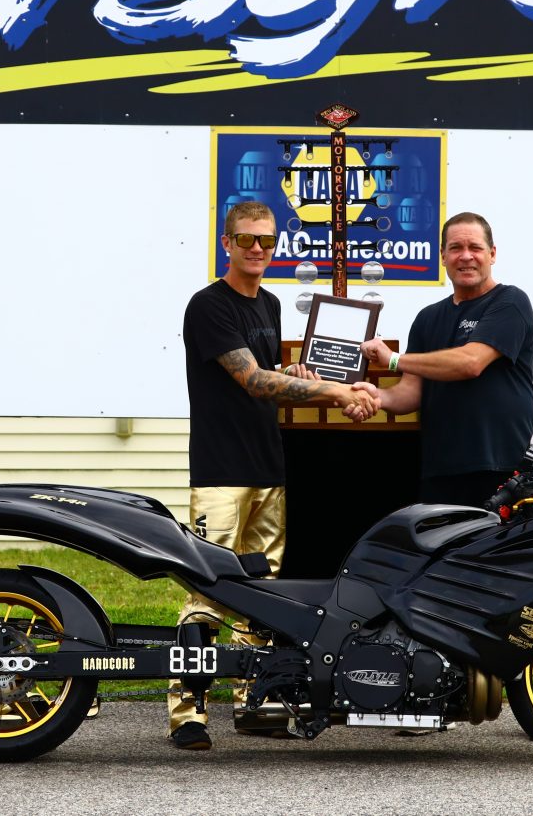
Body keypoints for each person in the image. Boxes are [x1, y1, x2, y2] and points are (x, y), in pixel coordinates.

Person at [170, 200, 377, 750]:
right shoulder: (207, 306)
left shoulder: (271, 303)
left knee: (262, 592)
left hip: (269, 468)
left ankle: (249, 701)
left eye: (266, 241)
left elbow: (267, 374)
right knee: (207, 589)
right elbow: (252, 383)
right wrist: (335, 390)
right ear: (226, 244)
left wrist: (297, 372)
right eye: (246, 240)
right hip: (221, 471)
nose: (258, 249)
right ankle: (187, 711)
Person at [353, 211, 533, 507]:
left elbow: (470, 363)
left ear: (492, 254)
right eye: (455, 248)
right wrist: (377, 398)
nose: (466, 256)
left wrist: (393, 360)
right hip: (442, 471)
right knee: (446, 554)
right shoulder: (427, 319)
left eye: (475, 248)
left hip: (502, 469)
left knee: (496, 553)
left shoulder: (510, 302)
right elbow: (410, 392)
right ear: (442, 256)